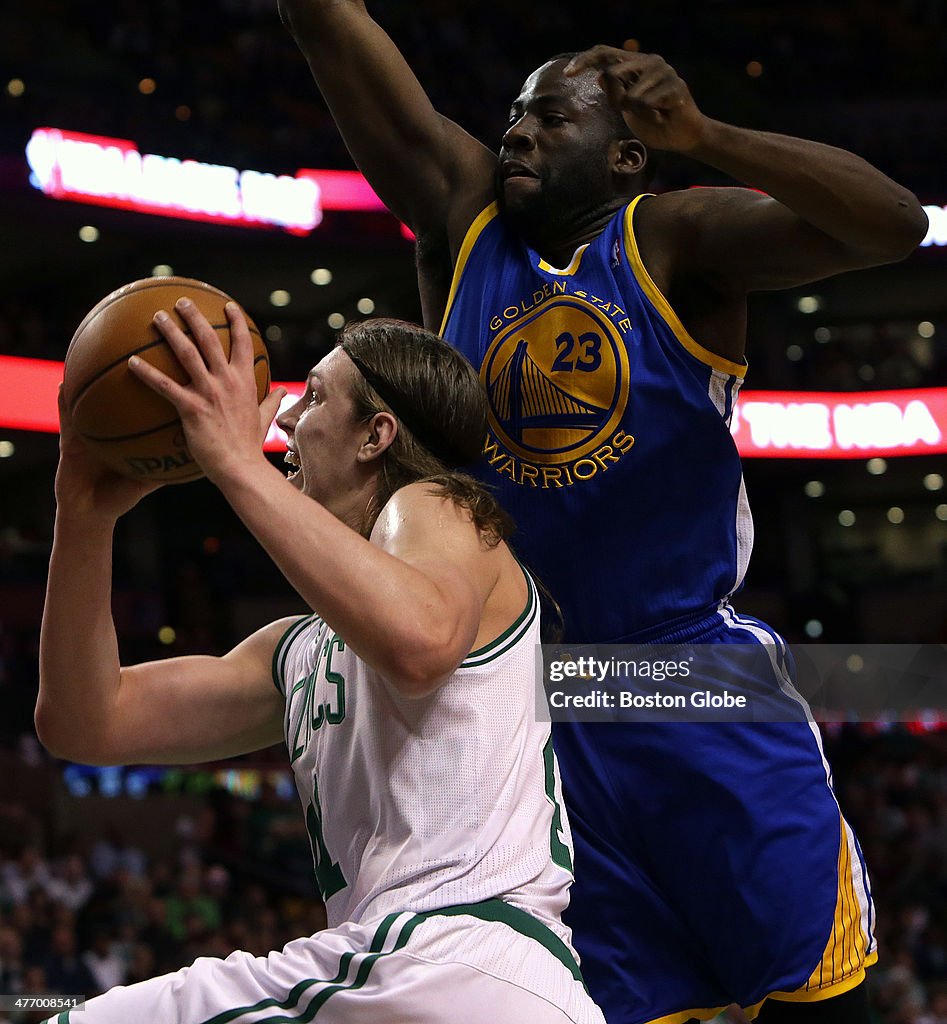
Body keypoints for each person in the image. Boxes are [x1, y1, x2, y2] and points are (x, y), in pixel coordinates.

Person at [277, 5, 930, 1022]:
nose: (516, 136)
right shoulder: (468, 224)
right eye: (511, 118)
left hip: (685, 679)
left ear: (628, 154)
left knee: (811, 991)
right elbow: (354, 61)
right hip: (539, 708)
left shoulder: (671, 237)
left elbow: (889, 225)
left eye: (548, 118)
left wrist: (710, 139)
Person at [36, 303, 605, 1024]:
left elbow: (419, 643)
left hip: (446, 958)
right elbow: (88, 724)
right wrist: (83, 515)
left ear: (377, 435)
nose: (281, 424)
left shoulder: (440, 507)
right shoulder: (297, 649)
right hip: (446, 983)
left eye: (313, 398)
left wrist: (237, 465)